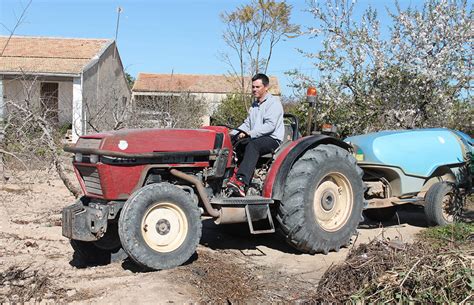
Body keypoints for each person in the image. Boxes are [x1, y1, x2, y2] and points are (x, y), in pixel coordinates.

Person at [227, 73, 284, 196]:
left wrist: (249, 134)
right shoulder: (254, 105)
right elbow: (247, 123)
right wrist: (232, 134)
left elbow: (270, 126)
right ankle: (231, 175)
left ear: (266, 87)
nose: (254, 90)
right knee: (235, 143)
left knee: (253, 145)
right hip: (256, 136)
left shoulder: (273, 104)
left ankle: (241, 182)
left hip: (272, 138)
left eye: (257, 87)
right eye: (253, 87)